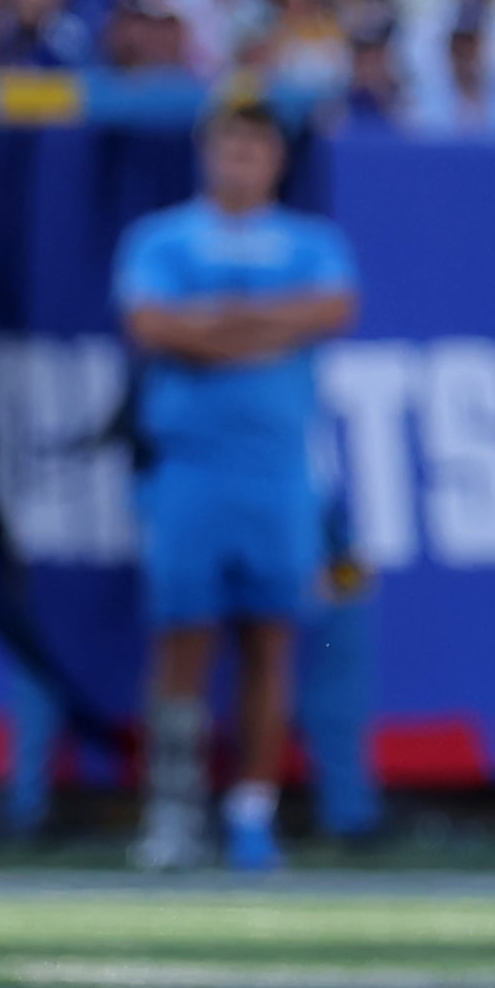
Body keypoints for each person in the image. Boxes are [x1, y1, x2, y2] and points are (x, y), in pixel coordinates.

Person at [114, 96, 358, 873]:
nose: (239, 161)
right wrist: (265, 327)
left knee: (271, 638)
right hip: (190, 464)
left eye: (254, 148)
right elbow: (155, 326)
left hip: (279, 470)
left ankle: (254, 810)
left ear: (277, 160)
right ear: (206, 152)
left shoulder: (312, 241)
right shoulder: (162, 236)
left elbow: (333, 308)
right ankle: (173, 811)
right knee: (181, 638)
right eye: (228, 146)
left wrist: (213, 324)